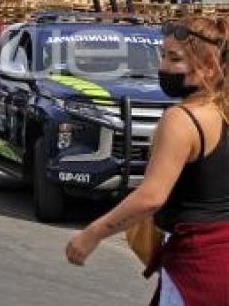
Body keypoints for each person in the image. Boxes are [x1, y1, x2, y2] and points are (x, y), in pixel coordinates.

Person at [66, 16, 229, 305]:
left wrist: (92, 233)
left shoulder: (182, 120)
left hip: (197, 268)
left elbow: (151, 197)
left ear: (208, 67)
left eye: (174, 58)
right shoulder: (222, 113)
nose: (163, 67)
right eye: (162, 55)